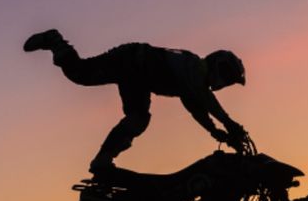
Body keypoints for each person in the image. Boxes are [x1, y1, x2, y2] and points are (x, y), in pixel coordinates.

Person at [23, 29, 249, 172]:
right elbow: (204, 99)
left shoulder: (192, 83)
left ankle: (103, 158)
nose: (225, 82)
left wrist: (214, 131)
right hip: (132, 61)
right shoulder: (194, 66)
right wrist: (229, 124)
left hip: (136, 71)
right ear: (218, 64)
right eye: (227, 77)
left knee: (137, 117)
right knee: (82, 75)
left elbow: (196, 107)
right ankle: (55, 41)